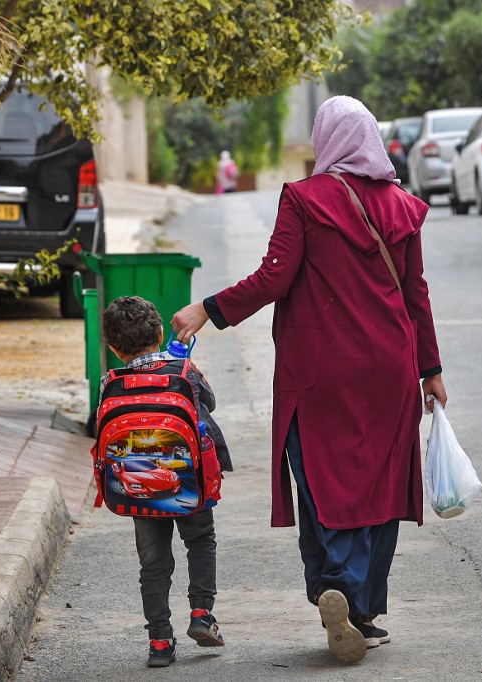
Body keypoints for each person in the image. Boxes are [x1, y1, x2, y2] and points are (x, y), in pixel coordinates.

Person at [172, 95, 447, 665]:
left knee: (324, 477)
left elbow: (275, 278)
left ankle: (338, 588)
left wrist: (208, 310)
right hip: (390, 368)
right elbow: (415, 294)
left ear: (325, 140)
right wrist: (432, 371)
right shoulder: (403, 206)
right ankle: (361, 609)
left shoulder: (303, 198)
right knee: (378, 483)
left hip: (319, 370)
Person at [100, 295, 234, 668]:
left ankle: (159, 640)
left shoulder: (110, 384)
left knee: (153, 563)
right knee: (201, 540)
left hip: (137, 489)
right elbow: (209, 401)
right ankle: (202, 615)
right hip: (189, 482)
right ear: (160, 332)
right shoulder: (183, 370)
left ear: (113, 347)